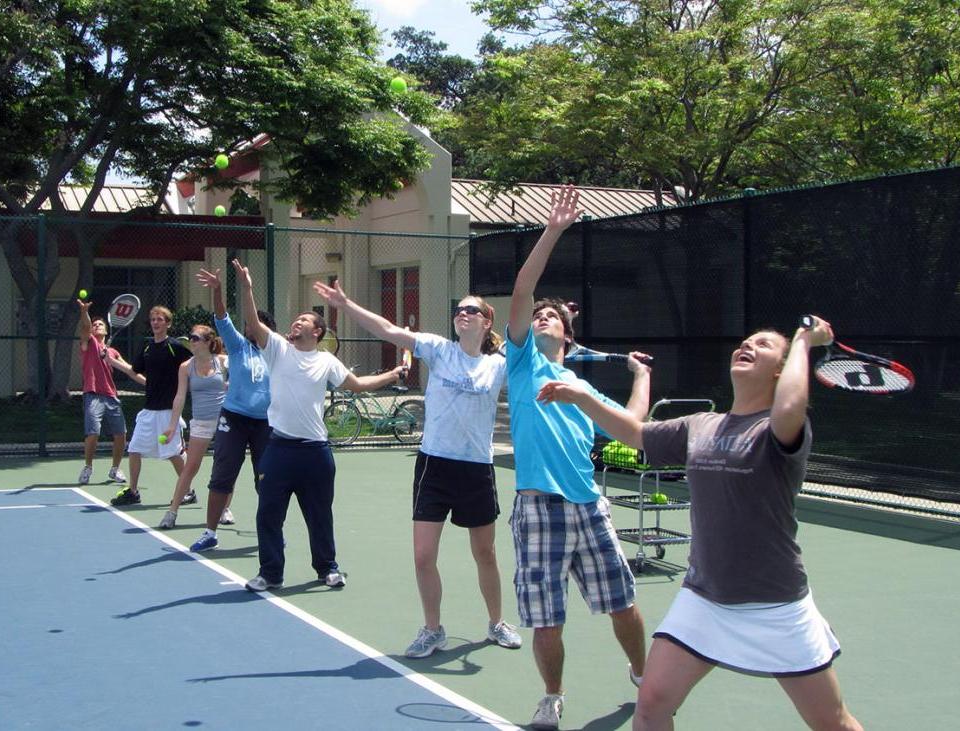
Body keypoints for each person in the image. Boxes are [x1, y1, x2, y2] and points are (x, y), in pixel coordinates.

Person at [537, 317, 863, 731]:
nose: (747, 345)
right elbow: (636, 434)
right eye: (745, 341)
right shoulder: (700, 425)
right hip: (704, 597)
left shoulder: (777, 428)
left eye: (763, 345)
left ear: (780, 370)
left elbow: (790, 406)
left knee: (830, 721)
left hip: (776, 602)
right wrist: (581, 397)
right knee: (652, 703)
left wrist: (802, 341)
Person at [312, 280, 522, 658]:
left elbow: (538, 370)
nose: (462, 313)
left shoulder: (499, 366)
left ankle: (495, 623)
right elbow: (389, 330)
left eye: (471, 310)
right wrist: (346, 304)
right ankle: (432, 629)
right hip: (434, 465)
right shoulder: (439, 349)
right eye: (459, 309)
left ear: (488, 321)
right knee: (424, 556)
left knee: (485, 553)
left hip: (476, 469)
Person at [506, 185, 651, 730]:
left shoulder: (579, 386)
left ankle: (642, 674)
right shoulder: (521, 363)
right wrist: (553, 230)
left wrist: (643, 377)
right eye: (536, 317)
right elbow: (523, 289)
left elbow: (634, 430)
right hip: (538, 508)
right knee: (547, 619)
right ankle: (552, 695)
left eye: (550, 317)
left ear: (567, 335)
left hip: (590, 506)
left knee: (623, 604)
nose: (540, 318)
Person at [231, 258, 407, 592]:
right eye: (295, 320)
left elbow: (357, 385)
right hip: (278, 448)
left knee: (319, 516)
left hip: (315, 452)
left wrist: (393, 374)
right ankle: (270, 573)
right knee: (268, 513)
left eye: (304, 320)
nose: (296, 323)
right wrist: (248, 287)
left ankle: (327, 568)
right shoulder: (278, 350)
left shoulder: (326, 360)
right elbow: (253, 324)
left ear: (318, 332)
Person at [188, 267, 277, 553]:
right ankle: (209, 532)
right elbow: (222, 317)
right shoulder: (238, 346)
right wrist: (217, 290)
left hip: (266, 424)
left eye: (253, 323)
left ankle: (270, 533)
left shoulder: (278, 352)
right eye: (248, 323)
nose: (248, 326)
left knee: (267, 480)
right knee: (222, 476)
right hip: (234, 420)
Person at [107, 305, 191, 507]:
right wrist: (110, 360)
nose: (155, 322)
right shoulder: (147, 348)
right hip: (149, 410)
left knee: (173, 454)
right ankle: (133, 492)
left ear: (168, 323)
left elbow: (194, 365)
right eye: (153, 319)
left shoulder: (175, 347)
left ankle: (188, 491)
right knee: (134, 449)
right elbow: (133, 370)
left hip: (168, 411)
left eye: (160, 319)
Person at [154, 323, 228, 530]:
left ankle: (225, 510)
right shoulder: (186, 367)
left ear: (208, 342)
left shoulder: (223, 362)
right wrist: (171, 426)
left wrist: (229, 387)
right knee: (190, 467)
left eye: (195, 338)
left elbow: (238, 385)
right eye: (191, 337)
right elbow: (179, 397)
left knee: (224, 467)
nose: (191, 341)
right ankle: (172, 512)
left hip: (225, 421)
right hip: (201, 422)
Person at [75, 298, 127, 486]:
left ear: (106, 330)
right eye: (95, 324)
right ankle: (88, 467)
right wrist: (84, 313)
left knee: (120, 434)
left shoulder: (112, 351)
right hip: (93, 394)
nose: (96, 326)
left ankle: (115, 469)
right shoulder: (88, 344)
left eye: (100, 324)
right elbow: (85, 328)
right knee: (93, 433)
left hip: (111, 396)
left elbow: (129, 368)